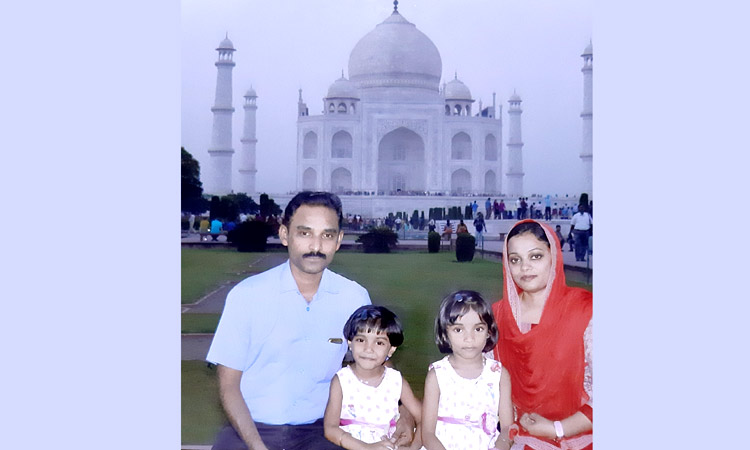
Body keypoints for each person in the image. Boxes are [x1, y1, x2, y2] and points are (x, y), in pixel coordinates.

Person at [206, 191, 416, 450]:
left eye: (327, 235)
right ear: (285, 234)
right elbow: (228, 386)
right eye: (305, 233)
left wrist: (403, 413)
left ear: (338, 240)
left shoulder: (353, 297)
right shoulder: (247, 296)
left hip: (322, 431)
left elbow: (377, 361)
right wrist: (257, 446)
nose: (316, 246)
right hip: (250, 429)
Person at [492, 220, 593, 450]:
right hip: (518, 437)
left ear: (553, 256)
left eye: (535, 256)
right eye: (515, 259)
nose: (524, 267)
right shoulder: (497, 316)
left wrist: (558, 428)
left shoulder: (585, 310)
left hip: (583, 435)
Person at [421, 291, 514, 450]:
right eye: (458, 330)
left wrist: (499, 447)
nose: (469, 338)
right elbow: (428, 433)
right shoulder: (438, 375)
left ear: (489, 332)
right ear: (445, 333)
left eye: (478, 329)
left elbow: (507, 428)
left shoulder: (498, 375)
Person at [323, 306, 422, 450]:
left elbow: (424, 418)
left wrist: (414, 446)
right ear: (350, 343)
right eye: (361, 340)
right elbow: (330, 429)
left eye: (379, 342)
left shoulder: (396, 381)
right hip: (353, 446)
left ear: (391, 349)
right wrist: (366, 447)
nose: (368, 349)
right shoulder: (342, 381)